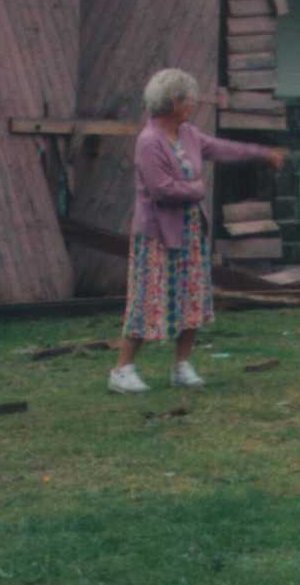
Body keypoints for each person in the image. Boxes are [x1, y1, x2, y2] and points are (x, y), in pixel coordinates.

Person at [108, 68, 284, 394]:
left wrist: (262, 154)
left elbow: (222, 149)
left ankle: (181, 366)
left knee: (192, 296)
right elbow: (161, 190)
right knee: (148, 298)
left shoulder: (187, 134)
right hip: (157, 235)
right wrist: (197, 189)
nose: (193, 104)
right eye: (189, 99)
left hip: (190, 232)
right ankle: (122, 369)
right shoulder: (149, 142)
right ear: (174, 102)